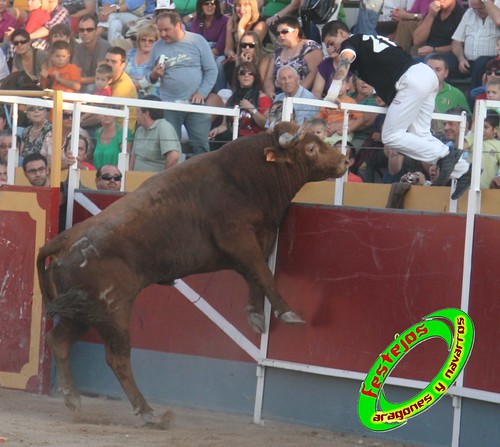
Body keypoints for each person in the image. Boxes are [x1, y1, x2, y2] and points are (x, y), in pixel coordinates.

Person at [324, 20, 471, 199]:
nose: (331, 49)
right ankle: (464, 170)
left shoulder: (350, 43)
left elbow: (345, 59)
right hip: (424, 74)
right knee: (421, 135)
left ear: (341, 33)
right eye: (327, 46)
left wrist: (332, 91)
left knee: (390, 136)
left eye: (331, 43)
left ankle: (445, 155)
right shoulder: (367, 40)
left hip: (410, 80)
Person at [145, 11, 217, 156]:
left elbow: (212, 70)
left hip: (196, 104)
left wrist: (202, 92)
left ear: (178, 25)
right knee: (170, 149)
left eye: (166, 30)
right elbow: (147, 73)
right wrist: (153, 75)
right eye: (160, 30)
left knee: (201, 148)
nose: (163, 34)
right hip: (170, 103)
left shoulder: (197, 41)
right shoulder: (157, 46)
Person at [209, 61, 271, 145]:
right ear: (237, 77)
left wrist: (252, 109)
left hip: (253, 140)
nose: (246, 75)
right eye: (242, 73)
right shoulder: (231, 99)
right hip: (235, 138)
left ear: (255, 77)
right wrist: (217, 130)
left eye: (250, 73)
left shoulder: (262, 98)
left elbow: (266, 124)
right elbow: (225, 125)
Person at [264, 16, 323, 99]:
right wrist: (269, 91)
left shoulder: (309, 46)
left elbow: (314, 73)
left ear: (295, 32)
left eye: (284, 32)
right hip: (279, 95)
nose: (280, 35)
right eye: (278, 33)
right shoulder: (278, 52)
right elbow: (269, 78)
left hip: (302, 95)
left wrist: (297, 94)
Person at [451, 0, 500, 90]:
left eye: (480, 9)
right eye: (474, 9)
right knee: (442, 62)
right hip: (467, 62)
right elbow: (456, 42)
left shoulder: (497, 9)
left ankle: (474, 100)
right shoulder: (469, 13)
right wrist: (461, 58)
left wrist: (487, 2)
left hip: (491, 61)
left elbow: (498, 21)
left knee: (480, 62)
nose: (477, 12)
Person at [412, 0, 464, 78]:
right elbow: (417, 40)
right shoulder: (433, 12)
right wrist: (430, 15)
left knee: (434, 62)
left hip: (451, 57)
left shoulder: (461, 14)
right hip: (428, 55)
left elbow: (460, 44)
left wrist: (434, 50)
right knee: (409, 62)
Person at [130, 95, 181, 171]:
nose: (136, 115)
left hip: (156, 180)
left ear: (146, 113)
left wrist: (163, 179)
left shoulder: (164, 127)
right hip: (137, 179)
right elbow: (134, 157)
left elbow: (173, 157)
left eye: (137, 111)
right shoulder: (139, 130)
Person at [190, 0, 228, 92]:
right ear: (201, 6)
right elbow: (195, 41)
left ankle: (219, 92)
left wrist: (212, 53)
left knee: (219, 62)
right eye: (206, 4)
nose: (210, 6)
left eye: (213, 3)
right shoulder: (197, 20)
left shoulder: (224, 20)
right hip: (201, 52)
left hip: (218, 53)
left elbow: (221, 44)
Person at [316, 76, 362, 145]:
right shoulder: (327, 102)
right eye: (334, 85)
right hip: (327, 133)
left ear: (348, 86)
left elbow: (360, 118)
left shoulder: (351, 102)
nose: (338, 87)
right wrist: (324, 126)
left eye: (341, 84)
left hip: (342, 133)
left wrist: (349, 129)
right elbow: (319, 118)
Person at [73, 14, 111, 93]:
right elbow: (76, 74)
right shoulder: (78, 48)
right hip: (84, 84)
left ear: (96, 30)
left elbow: (102, 77)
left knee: (91, 88)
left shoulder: (104, 46)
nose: (85, 33)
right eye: (82, 30)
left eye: (89, 29)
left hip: (101, 86)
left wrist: (79, 80)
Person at [464, 110, 500, 189]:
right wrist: (472, 132)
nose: (482, 129)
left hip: (487, 192)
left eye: (486, 127)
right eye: (479, 126)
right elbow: (461, 147)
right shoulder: (473, 138)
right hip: (467, 190)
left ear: (495, 129)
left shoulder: (498, 145)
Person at [125, 24, 159, 97]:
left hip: (148, 98)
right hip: (127, 94)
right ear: (138, 40)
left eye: (151, 41)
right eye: (143, 39)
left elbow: (151, 80)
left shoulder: (158, 58)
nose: (146, 42)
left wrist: (128, 87)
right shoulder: (130, 53)